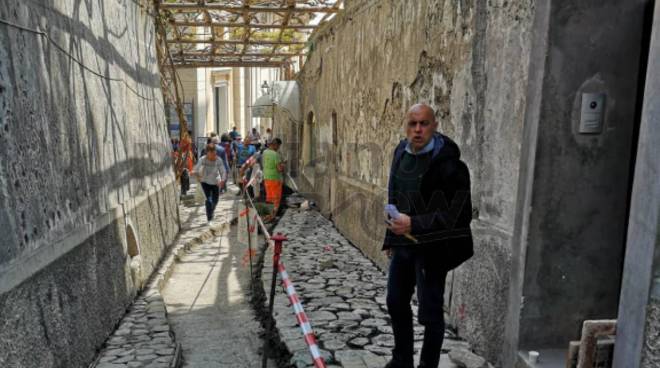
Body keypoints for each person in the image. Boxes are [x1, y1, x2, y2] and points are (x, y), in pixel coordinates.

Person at [383, 104, 473, 368]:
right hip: (402, 246)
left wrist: (415, 224)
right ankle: (402, 361)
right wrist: (392, 236)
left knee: (430, 314)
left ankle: (428, 365)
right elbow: (394, 192)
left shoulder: (451, 166)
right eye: (413, 124)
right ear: (406, 126)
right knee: (396, 302)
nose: (418, 130)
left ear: (434, 125)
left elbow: (459, 216)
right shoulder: (400, 152)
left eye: (424, 123)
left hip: (433, 249)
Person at [192, 144, 228, 224]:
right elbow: (196, 168)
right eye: (211, 154)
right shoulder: (203, 159)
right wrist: (194, 172)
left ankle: (211, 211)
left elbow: (223, 171)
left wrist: (223, 180)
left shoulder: (218, 160)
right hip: (204, 182)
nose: (213, 156)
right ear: (207, 153)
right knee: (208, 201)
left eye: (214, 154)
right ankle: (209, 219)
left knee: (215, 201)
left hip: (216, 182)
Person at [262, 138, 285, 214]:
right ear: (275, 145)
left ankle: (268, 214)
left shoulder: (265, 152)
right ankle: (273, 215)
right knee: (276, 199)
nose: (278, 148)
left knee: (269, 198)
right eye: (278, 146)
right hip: (275, 179)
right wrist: (283, 165)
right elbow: (279, 169)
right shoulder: (275, 154)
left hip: (266, 178)